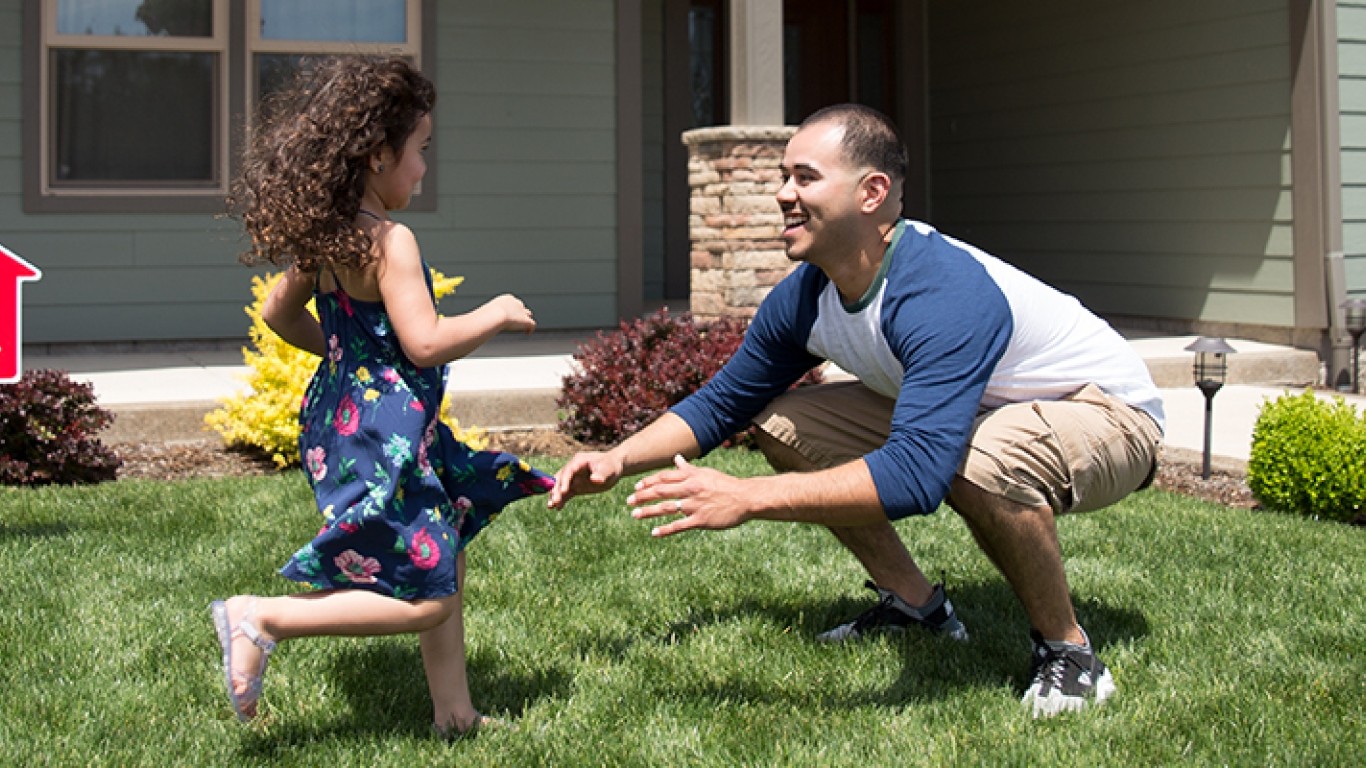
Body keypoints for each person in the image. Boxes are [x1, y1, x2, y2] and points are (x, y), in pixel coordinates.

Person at [548, 103, 1163, 718]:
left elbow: (918, 475)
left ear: (872, 192)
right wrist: (616, 458)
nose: (784, 194)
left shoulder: (940, 291)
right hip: (984, 407)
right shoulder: (811, 293)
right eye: (783, 178)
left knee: (981, 460)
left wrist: (746, 499)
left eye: (805, 177)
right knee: (784, 421)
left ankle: (1069, 651)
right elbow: (724, 402)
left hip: (1103, 412)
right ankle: (916, 607)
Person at [210, 56, 553, 737]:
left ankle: (453, 713)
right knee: (425, 597)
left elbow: (279, 315)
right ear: (375, 155)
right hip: (383, 434)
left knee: (445, 538)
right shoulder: (392, 240)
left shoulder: (329, 235)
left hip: (350, 422)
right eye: (420, 151)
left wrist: (350, 360)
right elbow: (424, 342)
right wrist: (496, 314)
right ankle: (262, 617)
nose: (424, 168)